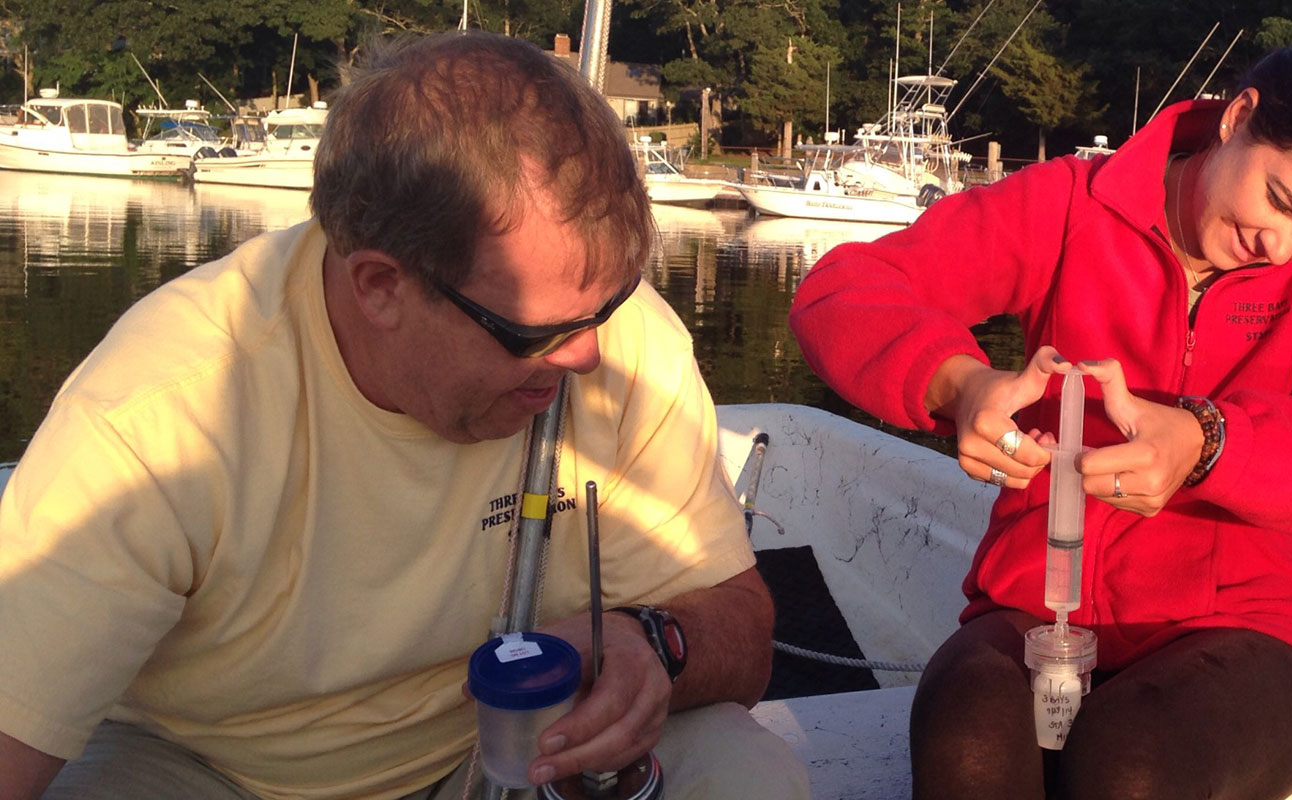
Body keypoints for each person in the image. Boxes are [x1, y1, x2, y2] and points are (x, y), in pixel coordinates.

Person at [0, 31, 807, 800]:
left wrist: (655, 644)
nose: (589, 357)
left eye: (610, 303)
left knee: (746, 771)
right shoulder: (161, 413)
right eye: (538, 330)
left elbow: (741, 626)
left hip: (520, 751)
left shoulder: (621, 339)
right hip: (216, 769)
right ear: (381, 286)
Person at [790, 31, 1292, 800]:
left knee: (1130, 766)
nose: (1283, 248)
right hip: (1032, 611)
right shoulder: (1070, 205)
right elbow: (842, 290)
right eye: (1279, 200)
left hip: (1236, 636)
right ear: (1238, 116)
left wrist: (1210, 443)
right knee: (965, 732)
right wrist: (957, 385)